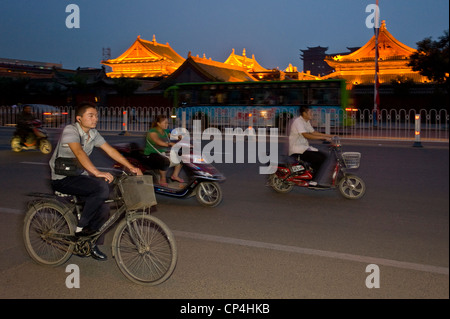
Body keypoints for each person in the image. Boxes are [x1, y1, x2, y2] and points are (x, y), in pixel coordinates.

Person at [49, 102, 142, 261]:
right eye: (90, 115)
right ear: (79, 118)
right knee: (100, 187)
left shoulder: (93, 133)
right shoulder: (70, 130)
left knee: (104, 208)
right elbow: (78, 152)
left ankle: (89, 243)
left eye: (96, 116)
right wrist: (97, 172)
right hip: (62, 178)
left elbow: (110, 150)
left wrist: (131, 167)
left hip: (79, 176)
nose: (95, 119)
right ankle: (81, 228)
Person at [288, 105, 334, 187]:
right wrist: (323, 138)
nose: (312, 114)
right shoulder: (298, 121)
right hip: (297, 150)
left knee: (322, 156)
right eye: (310, 112)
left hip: (303, 148)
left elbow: (313, 132)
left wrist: (329, 136)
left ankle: (309, 174)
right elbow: (306, 135)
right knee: (320, 158)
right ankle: (312, 180)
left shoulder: (306, 121)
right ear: (304, 113)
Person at [144, 114, 183, 187]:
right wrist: (170, 144)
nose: (167, 124)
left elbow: (174, 135)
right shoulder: (152, 132)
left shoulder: (165, 131)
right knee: (165, 161)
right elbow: (158, 141)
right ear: (158, 123)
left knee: (182, 157)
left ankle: (174, 175)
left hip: (162, 153)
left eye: (167, 123)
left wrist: (180, 137)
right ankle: (163, 178)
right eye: (165, 123)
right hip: (151, 155)